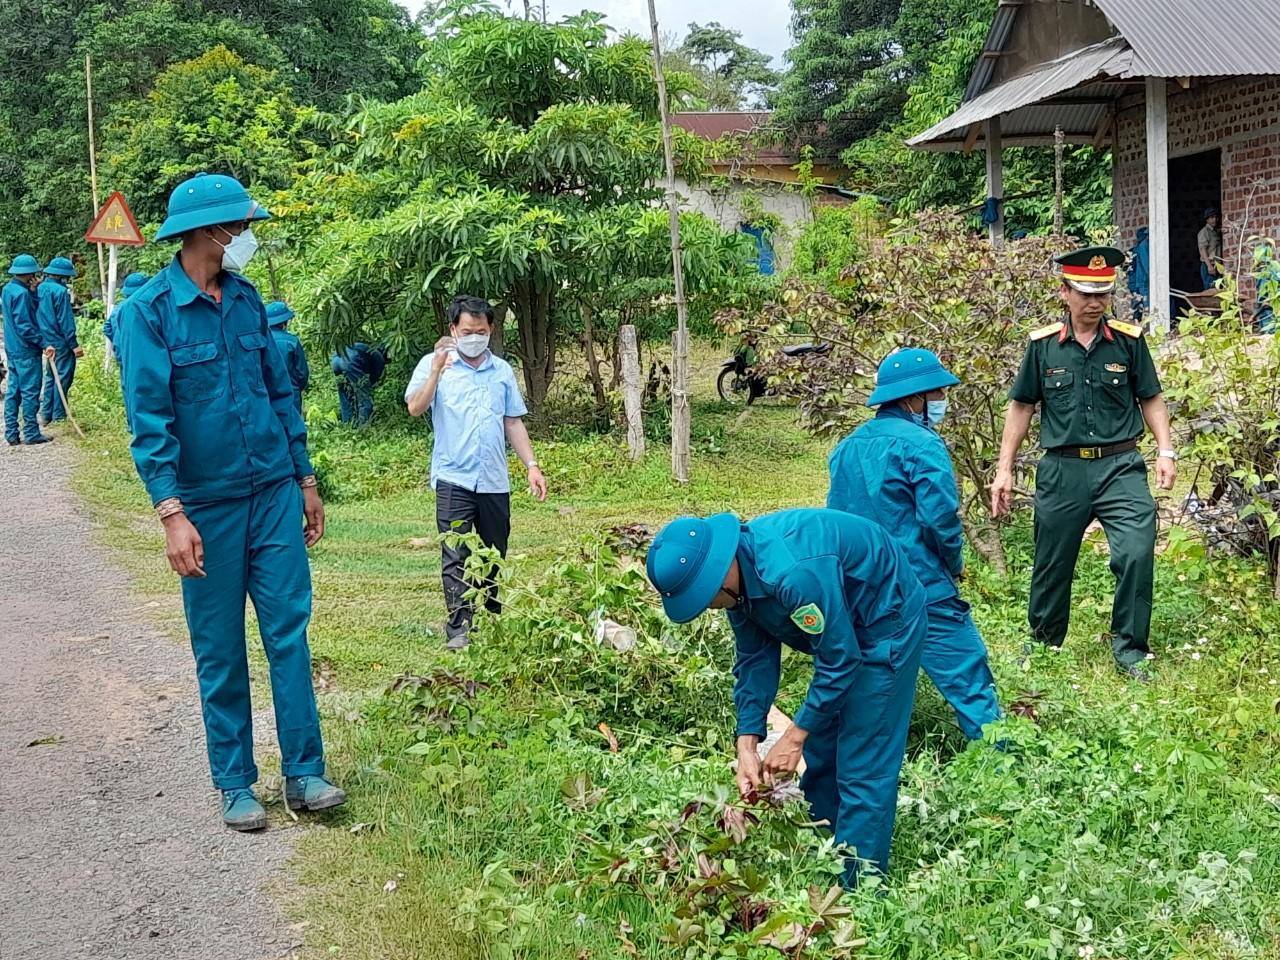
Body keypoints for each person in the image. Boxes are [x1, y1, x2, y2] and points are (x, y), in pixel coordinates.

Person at [115, 172, 344, 830]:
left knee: (288, 636)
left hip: (272, 491)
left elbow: (280, 396)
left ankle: (304, 771)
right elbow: (148, 423)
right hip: (206, 506)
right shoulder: (148, 315)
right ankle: (235, 781)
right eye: (239, 227)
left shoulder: (246, 302)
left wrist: (304, 479)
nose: (246, 238)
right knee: (219, 647)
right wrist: (171, 513)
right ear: (204, 232)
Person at [645, 508, 927, 884]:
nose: (707, 607)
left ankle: (860, 889)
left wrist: (794, 737)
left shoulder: (790, 574)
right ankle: (825, 851)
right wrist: (747, 745)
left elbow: (841, 658)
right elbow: (754, 659)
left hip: (885, 618)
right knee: (823, 747)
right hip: (843, 627)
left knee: (862, 759)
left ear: (717, 574)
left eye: (703, 598)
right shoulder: (738, 587)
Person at [990, 246, 1177, 682]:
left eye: (1103, 295)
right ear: (1065, 293)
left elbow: (1150, 397)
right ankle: (1044, 642)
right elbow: (1021, 406)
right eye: (1085, 293)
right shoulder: (1043, 348)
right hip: (1063, 469)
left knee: (1136, 550)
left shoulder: (1129, 342)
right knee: (1052, 562)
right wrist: (1004, 468)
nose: (1094, 303)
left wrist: (1165, 450)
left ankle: (1130, 650)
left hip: (1120, 467)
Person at [827, 348, 1000, 741]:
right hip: (919, 582)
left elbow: (837, 517)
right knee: (966, 673)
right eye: (937, 395)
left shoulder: (846, 447)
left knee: (871, 684)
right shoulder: (923, 445)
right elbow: (939, 519)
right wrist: (953, 564)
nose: (941, 403)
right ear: (913, 399)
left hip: (860, 587)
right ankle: (1001, 759)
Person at [404, 295, 548, 650]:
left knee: (494, 551)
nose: (474, 336)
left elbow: (512, 421)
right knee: (456, 553)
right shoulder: (433, 364)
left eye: (481, 331)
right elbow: (415, 408)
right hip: (453, 476)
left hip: (494, 479)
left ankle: (491, 617)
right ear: (453, 329)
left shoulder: (501, 371)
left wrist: (531, 465)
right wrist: (436, 370)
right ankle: (459, 629)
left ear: (491, 330)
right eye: (467, 331)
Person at [3, 255, 52, 446]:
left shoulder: (9, 289)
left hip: (12, 348)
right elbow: (25, 324)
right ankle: (31, 432)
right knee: (30, 391)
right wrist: (43, 343)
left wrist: (33, 291)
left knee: (13, 391)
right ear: (31, 273)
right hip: (26, 349)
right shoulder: (21, 294)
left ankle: (11, 432)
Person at [36, 256, 81, 424]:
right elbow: (65, 320)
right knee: (62, 377)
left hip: (46, 341)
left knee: (50, 376)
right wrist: (74, 344)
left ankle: (45, 414)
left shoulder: (39, 289)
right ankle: (59, 415)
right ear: (64, 276)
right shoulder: (60, 292)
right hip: (60, 341)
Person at [266, 301, 309, 413]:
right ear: (284, 323)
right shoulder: (292, 342)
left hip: (267, 394)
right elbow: (302, 373)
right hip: (291, 393)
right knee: (293, 427)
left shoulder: (261, 342)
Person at [331, 342, 386, 425]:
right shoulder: (378, 355)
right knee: (365, 397)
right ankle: (364, 426)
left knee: (345, 394)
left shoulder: (364, 347)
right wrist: (368, 387)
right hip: (349, 362)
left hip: (336, 361)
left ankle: (348, 423)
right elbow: (375, 376)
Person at [103, 271, 150, 361]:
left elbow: (107, 328)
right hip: (141, 356)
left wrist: (118, 342)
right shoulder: (145, 308)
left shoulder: (119, 308)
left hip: (123, 355)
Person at [1198, 207, 1223, 291]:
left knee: (1218, 290)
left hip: (1217, 265)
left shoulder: (1215, 231)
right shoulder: (1204, 232)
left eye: (1216, 217)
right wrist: (1209, 266)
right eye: (1212, 217)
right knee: (1211, 290)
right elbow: (1203, 250)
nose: (1214, 220)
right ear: (1207, 219)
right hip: (1209, 265)